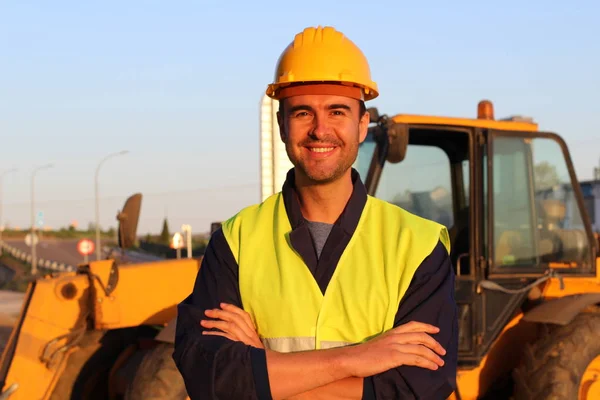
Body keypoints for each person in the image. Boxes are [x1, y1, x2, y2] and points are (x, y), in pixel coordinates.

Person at [173, 26, 458, 400]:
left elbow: (417, 390)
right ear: (281, 126)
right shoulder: (236, 240)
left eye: (336, 111)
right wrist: (356, 359)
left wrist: (263, 366)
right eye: (303, 112)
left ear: (361, 125)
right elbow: (210, 380)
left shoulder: (418, 246)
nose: (320, 129)